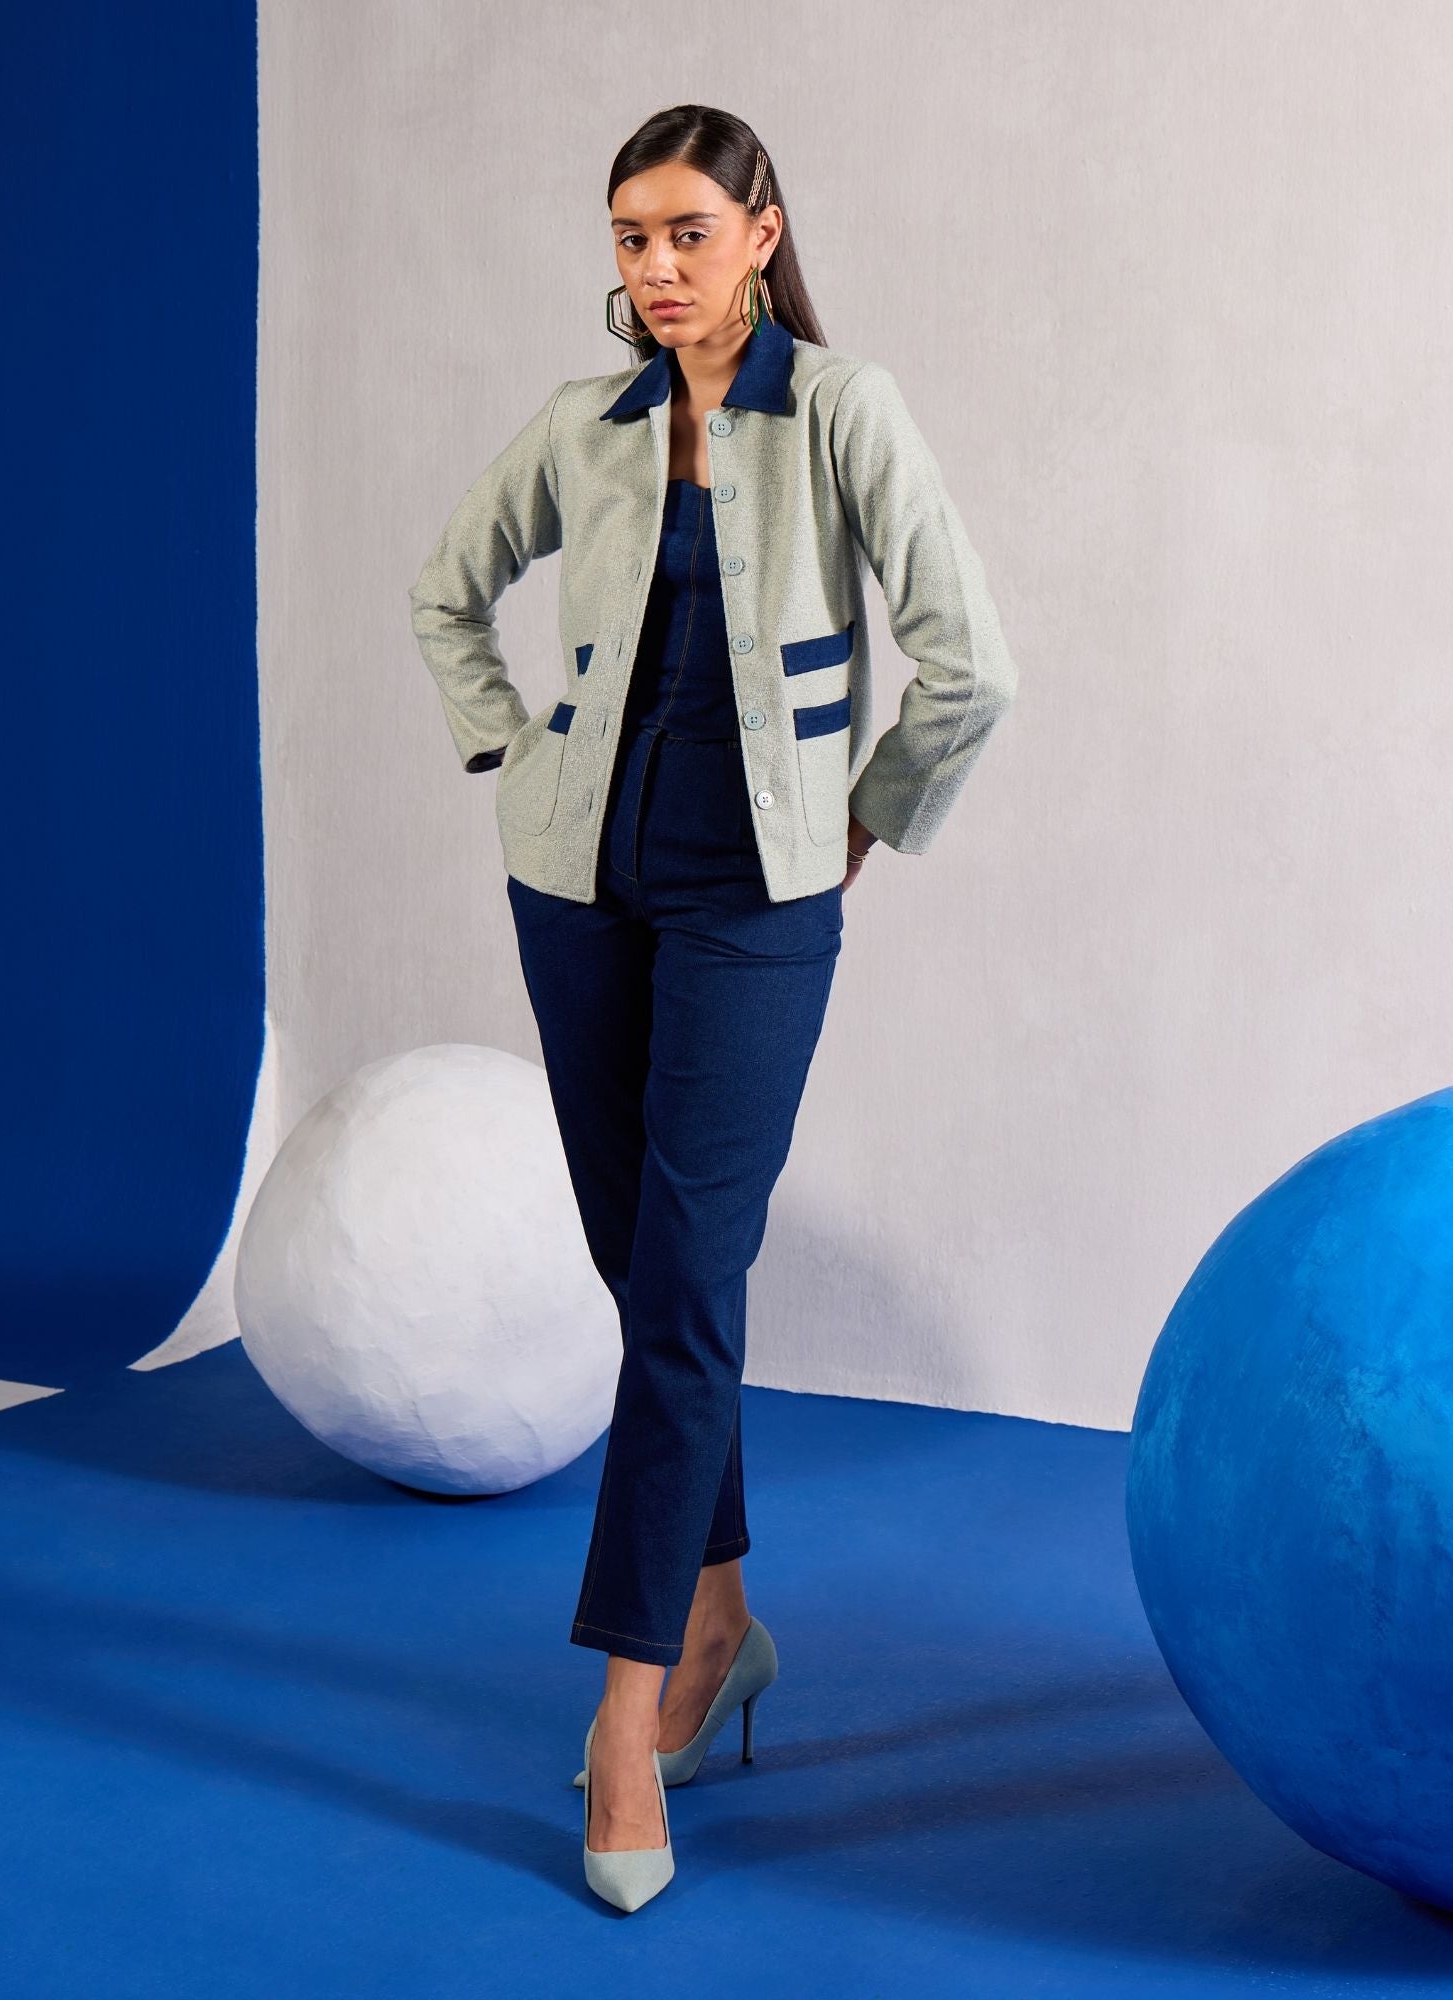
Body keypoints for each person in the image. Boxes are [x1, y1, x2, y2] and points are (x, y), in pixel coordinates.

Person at [409, 105, 1018, 1911]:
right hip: (577, 890)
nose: (657, 267)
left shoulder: (840, 412)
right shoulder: (586, 426)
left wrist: (865, 820)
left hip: (758, 898)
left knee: (682, 1283)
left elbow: (971, 666)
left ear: (762, 230)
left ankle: (625, 1719)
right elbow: (446, 593)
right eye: (630, 236)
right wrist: (511, 753)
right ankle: (725, 1620)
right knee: (651, 1275)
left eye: (688, 230)